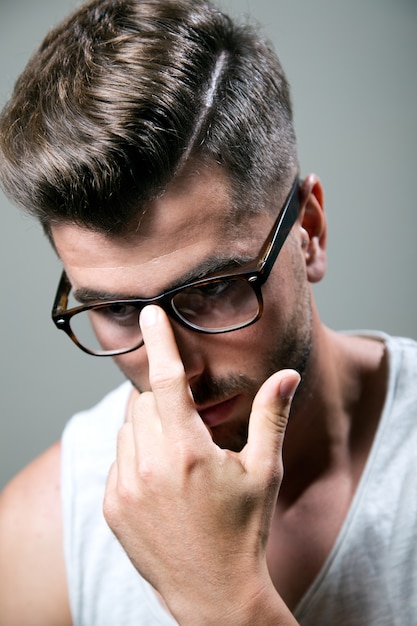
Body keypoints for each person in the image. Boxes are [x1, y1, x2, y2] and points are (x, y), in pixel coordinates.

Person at [0, 0, 416, 623]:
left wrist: (225, 601)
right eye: (116, 308)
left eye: (212, 289)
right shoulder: (41, 530)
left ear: (310, 231)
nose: (176, 371)